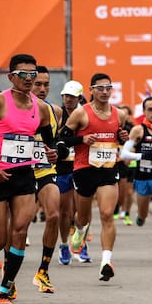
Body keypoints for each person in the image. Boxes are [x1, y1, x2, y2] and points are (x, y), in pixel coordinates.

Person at [0, 54, 57, 304]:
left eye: (33, 74)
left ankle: (3, 293)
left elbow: (49, 141)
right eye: (24, 74)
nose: (29, 79)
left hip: (24, 176)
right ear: (11, 77)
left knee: (20, 232)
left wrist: (52, 152)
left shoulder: (41, 108)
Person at [57, 73, 129, 281]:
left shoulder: (119, 114)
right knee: (83, 217)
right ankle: (79, 231)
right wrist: (82, 139)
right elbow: (62, 139)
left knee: (107, 214)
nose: (105, 92)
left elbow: (120, 137)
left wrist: (122, 137)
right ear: (91, 90)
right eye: (100, 88)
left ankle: (106, 262)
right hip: (84, 169)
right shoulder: (81, 113)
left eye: (108, 88)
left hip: (108, 169)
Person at [120, 96, 152, 259]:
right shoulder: (138, 130)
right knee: (143, 214)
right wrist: (141, 156)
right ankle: (141, 217)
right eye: (150, 109)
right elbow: (124, 154)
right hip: (142, 178)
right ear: (144, 111)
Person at [29, 66, 61, 293]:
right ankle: (8, 276)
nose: (42, 89)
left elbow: (54, 142)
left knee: (54, 215)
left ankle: (43, 271)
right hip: (18, 172)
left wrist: (56, 151)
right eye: (37, 84)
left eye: (46, 84)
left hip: (44, 170)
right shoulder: (12, 109)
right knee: (18, 226)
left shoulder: (54, 111)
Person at [55, 81, 88, 265]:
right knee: (64, 211)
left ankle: (81, 243)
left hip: (82, 166)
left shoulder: (85, 115)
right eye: (66, 96)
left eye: (72, 97)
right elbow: (56, 139)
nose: (68, 99)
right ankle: (63, 245)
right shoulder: (58, 115)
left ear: (79, 98)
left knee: (82, 210)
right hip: (63, 168)